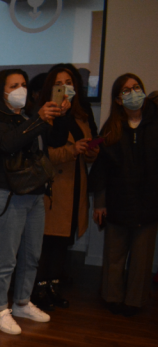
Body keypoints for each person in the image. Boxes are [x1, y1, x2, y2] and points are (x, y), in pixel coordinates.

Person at [0, 68, 71, 335]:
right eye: (13, 86)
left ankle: (22, 302)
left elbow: (50, 143)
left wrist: (59, 116)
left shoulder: (29, 115)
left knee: (32, 254)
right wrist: (38, 120)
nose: (20, 89)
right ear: (2, 91)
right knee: (5, 258)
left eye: (23, 84)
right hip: (6, 194)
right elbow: (9, 143)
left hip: (33, 194)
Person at [89, 73, 158, 317]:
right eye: (126, 91)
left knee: (141, 259)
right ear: (118, 100)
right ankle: (112, 297)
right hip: (117, 202)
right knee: (114, 256)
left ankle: (134, 301)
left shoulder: (156, 124)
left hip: (149, 204)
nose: (133, 93)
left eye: (136, 87)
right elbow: (100, 171)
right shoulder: (111, 129)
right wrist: (99, 204)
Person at [32, 66, 99, 311]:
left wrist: (91, 151)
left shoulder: (81, 115)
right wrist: (72, 150)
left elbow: (90, 151)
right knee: (47, 242)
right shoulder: (44, 115)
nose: (65, 87)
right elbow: (42, 154)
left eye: (69, 81)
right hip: (54, 188)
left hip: (75, 187)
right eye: (59, 83)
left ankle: (53, 286)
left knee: (62, 243)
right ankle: (38, 289)